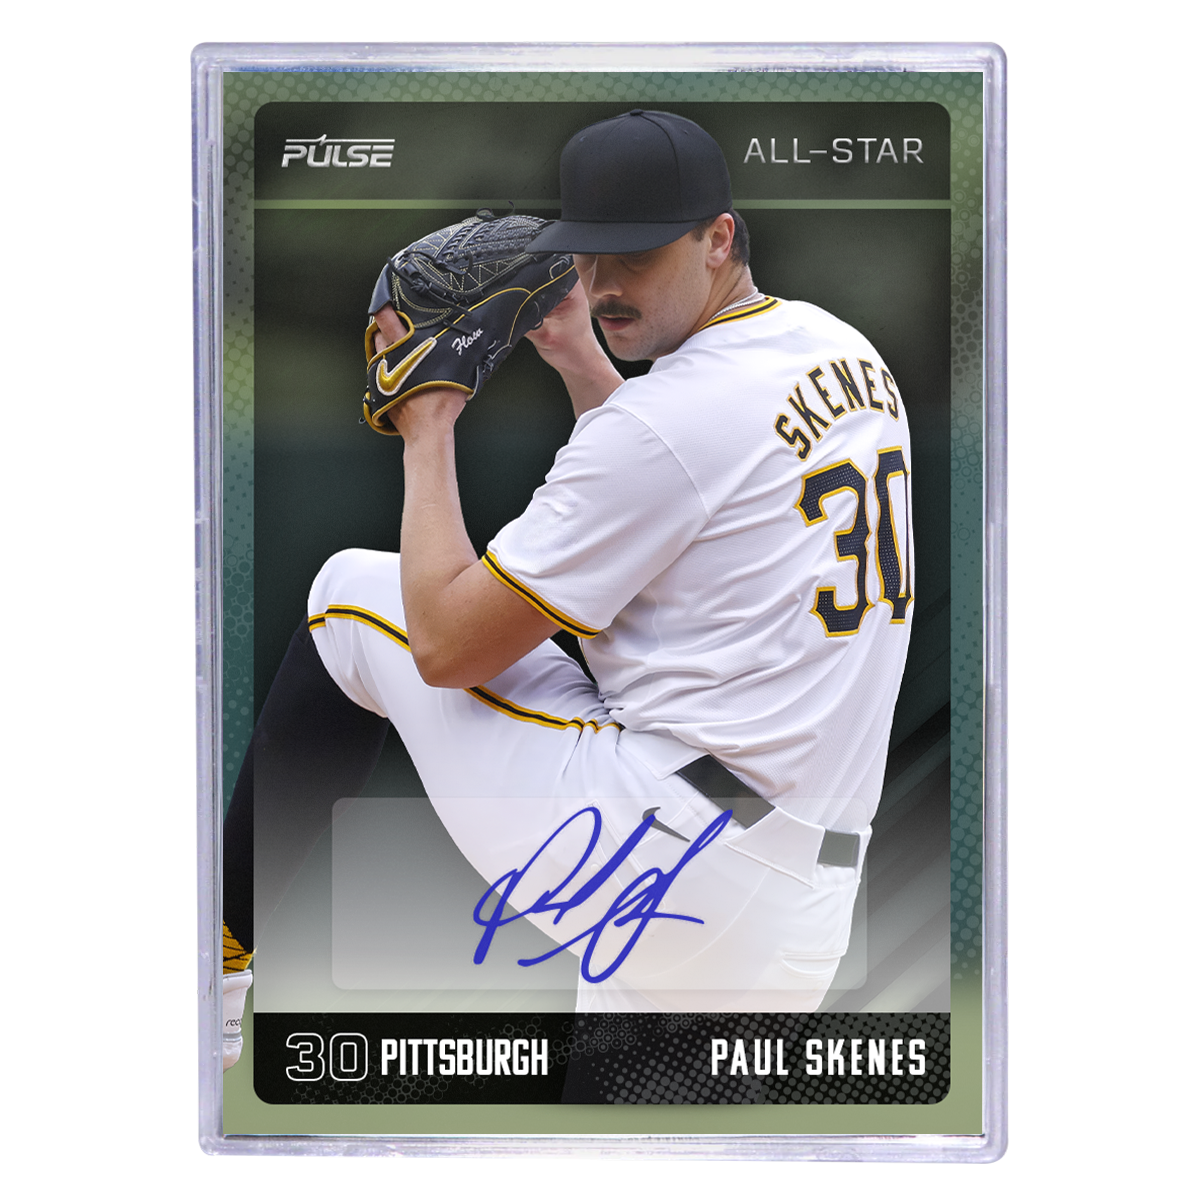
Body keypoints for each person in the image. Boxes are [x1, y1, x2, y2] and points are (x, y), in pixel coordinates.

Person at [220, 109, 914, 1067]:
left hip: (666, 852)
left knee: (347, 600)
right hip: (806, 910)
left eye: (638, 254)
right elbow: (680, 491)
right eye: (589, 253)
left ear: (719, 239)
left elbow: (446, 647)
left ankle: (214, 960)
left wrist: (429, 425)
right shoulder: (843, 352)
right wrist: (582, 358)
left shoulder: (665, 422)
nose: (607, 281)